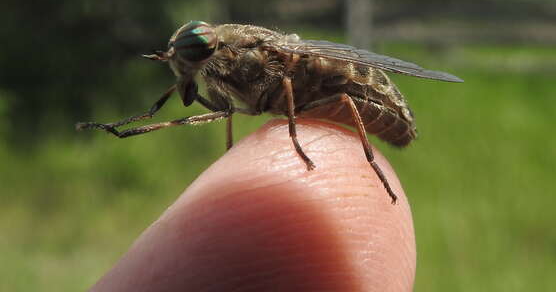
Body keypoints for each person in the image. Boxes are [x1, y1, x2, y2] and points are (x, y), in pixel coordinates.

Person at [91, 119, 416, 291]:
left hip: (344, 90)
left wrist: (293, 138)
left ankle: (369, 164)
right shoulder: (219, 71)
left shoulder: (257, 60)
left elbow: (290, 80)